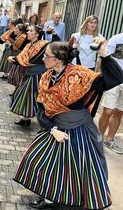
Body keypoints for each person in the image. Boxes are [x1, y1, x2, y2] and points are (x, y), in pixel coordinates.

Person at [14, 40, 123, 210]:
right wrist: (52, 129)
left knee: (74, 169)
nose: (43, 58)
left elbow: (116, 78)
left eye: (46, 56)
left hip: (79, 130)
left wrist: (104, 54)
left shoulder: (79, 75)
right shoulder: (46, 77)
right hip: (56, 127)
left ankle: (67, 200)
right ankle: (49, 199)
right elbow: (41, 109)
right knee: (42, 161)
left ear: (58, 59)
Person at [8, 25, 49, 126]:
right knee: (26, 95)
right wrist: (14, 59)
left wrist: (14, 60)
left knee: (32, 95)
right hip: (30, 72)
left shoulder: (44, 44)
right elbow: (22, 58)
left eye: (31, 31)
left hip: (39, 74)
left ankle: (36, 119)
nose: (28, 32)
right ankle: (26, 118)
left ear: (37, 34)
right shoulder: (29, 45)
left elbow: (30, 59)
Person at [99, 33, 123, 154]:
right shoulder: (117, 39)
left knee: (119, 112)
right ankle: (98, 139)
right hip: (113, 80)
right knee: (107, 111)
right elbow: (104, 58)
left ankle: (109, 139)